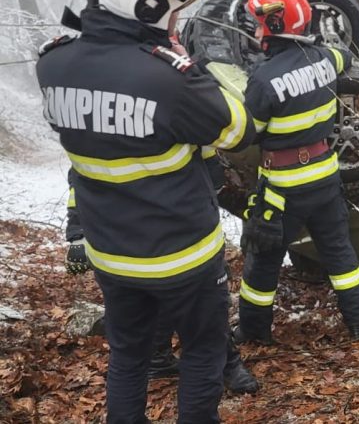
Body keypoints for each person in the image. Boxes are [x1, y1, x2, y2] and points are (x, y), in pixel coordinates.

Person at [37, 0, 254, 423]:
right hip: (184, 255)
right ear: (148, 5)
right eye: (173, 13)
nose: (175, 23)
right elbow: (238, 130)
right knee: (203, 352)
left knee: (129, 357)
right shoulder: (168, 78)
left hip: (112, 255)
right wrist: (189, 66)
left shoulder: (51, 63)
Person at [233, 0, 359, 344]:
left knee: (263, 263)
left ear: (274, 26)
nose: (255, 30)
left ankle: (253, 332)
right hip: (325, 178)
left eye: (259, 24)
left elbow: (247, 134)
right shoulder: (325, 59)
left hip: (283, 188)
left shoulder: (263, 80)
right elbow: (345, 57)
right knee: (340, 254)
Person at [64, 152, 260, 393]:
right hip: (127, 234)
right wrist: (77, 231)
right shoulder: (97, 135)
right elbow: (82, 176)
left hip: (177, 223)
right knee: (158, 294)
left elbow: (209, 163)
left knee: (199, 299)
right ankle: (164, 358)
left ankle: (223, 362)